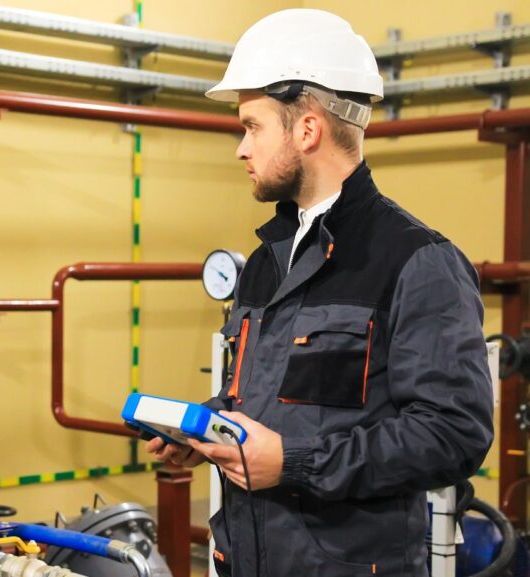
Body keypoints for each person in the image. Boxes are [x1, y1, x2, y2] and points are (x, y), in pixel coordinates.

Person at [146, 9, 494, 577]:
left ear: (307, 129)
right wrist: (208, 429)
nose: (240, 148)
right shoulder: (266, 261)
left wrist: (292, 464)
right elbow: (274, 402)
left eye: (252, 126)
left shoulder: (416, 261)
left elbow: (453, 434)